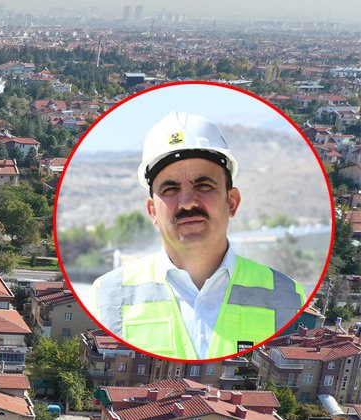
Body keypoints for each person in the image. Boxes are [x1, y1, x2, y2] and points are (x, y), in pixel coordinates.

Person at [89, 111, 305, 360]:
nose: (188, 202)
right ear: (152, 212)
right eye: (170, 189)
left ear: (232, 202)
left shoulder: (287, 295)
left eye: (204, 186)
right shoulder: (107, 295)